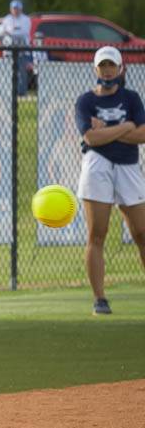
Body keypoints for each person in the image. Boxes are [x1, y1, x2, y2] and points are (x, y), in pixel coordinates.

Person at [73, 45, 145, 315]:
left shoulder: (132, 98)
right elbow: (90, 138)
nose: (107, 70)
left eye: (111, 65)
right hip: (97, 166)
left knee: (142, 233)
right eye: (102, 65)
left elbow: (142, 134)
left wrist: (111, 131)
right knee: (97, 234)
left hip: (128, 166)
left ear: (120, 68)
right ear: (95, 69)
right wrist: (126, 126)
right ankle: (99, 299)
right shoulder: (85, 101)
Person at [0, 0, 31, 96]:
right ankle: (10, 90)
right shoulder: (7, 19)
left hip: (22, 50)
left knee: (22, 72)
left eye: (17, 8)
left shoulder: (25, 19)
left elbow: (23, 32)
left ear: (21, 9)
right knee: (8, 71)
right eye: (14, 8)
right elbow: (0, 30)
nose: (15, 10)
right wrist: (7, 32)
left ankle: (21, 92)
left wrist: (10, 33)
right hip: (9, 50)